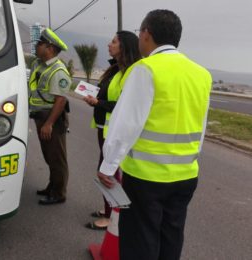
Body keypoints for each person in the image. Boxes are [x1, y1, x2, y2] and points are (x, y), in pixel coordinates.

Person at [97, 10, 212, 260]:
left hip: (146, 177)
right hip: (186, 176)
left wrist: (108, 166)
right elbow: (200, 128)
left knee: (141, 240)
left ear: (147, 34)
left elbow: (126, 123)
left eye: (140, 32)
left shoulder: (146, 69)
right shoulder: (201, 74)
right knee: (171, 237)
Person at [83, 31, 141, 230]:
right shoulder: (117, 70)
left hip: (113, 131)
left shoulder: (131, 72)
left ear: (124, 46)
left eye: (114, 42)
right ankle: (109, 210)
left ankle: (112, 217)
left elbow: (123, 105)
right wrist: (95, 99)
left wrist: (99, 102)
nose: (109, 44)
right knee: (107, 172)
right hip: (104, 128)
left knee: (107, 173)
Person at [29, 28, 71, 205]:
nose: (36, 46)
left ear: (51, 48)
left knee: (57, 158)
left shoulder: (58, 70)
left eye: (40, 44)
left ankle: (59, 193)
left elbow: (60, 100)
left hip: (51, 118)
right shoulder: (38, 64)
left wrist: (49, 124)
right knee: (48, 155)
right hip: (40, 116)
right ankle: (51, 186)